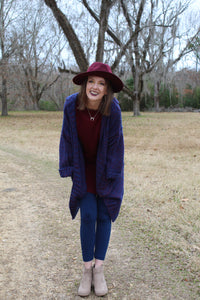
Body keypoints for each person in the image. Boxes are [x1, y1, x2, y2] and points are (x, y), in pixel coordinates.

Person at [59, 62, 124, 297]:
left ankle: (99, 269)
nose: (95, 86)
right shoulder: (71, 105)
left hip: (107, 168)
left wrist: (112, 174)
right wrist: (66, 165)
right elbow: (66, 137)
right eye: (91, 81)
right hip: (83, 167)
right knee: (88, 215)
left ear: (107, 90)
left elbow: (117, 146)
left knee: (104, 214)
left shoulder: (113, 109)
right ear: (85, 84)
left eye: (101, 83)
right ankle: (87, 270)